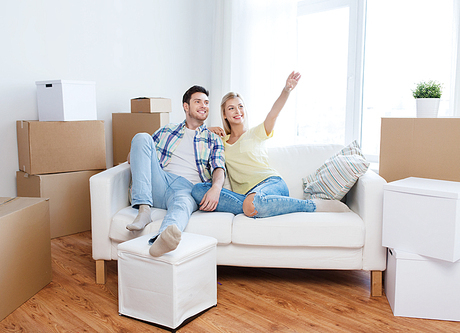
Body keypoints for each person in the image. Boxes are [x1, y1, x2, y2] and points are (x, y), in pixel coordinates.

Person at [191, 71, 349, 217]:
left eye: (240, 106)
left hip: (271, 184)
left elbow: (274, 113)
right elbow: (191, 137)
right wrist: (205, 129)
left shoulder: (256, 133)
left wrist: (286, 90)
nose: (237, 111)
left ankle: (311, 206)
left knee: (253, 202)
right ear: (224, 114)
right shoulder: (221, 142)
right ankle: (255, 207)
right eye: (231, 108)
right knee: (198, 190)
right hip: (246, 195)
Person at [127, 85, 225, 256]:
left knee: (182, 205)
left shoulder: (212, 139)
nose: (204, 105)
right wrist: (139, 150)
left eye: (207, 102)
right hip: (161, 180)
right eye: (198, 101)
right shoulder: (167, 130)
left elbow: (219, 167)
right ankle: (144, 209)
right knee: (141, 137)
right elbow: (133, 156)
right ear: (186, 106)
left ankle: (161, 240)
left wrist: (216, 188)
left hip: (187, 188)